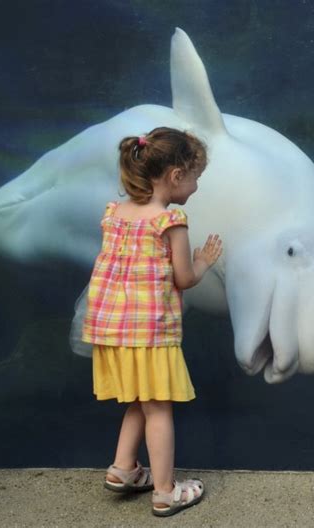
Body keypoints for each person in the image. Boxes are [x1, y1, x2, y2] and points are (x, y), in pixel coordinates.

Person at [81, 126, 222, 517]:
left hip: (112, 330)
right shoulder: (170, 222)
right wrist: (204, 261)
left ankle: (124, 469)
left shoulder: (114, 214)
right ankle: (164, 491)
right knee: (158, 408)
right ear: (176, 176)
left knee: (141, 402)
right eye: (195, 178)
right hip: (150, 332)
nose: (196, 187)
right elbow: (184, 279)